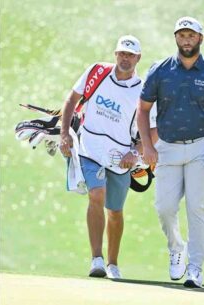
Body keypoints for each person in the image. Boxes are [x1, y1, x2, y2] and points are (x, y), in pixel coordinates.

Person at [136, 16, 204, 288]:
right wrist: (147, 145)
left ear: (200, 39)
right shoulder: (160, 70)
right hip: (167, 148)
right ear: (176, 38)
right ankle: (177, 247)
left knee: (196, 207)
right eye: (182, 35)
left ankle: (195, 269)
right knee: (164, 208)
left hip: (202, 146)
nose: (186, 39)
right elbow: (142, 110)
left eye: (191, 35)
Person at [59, 35, 157, 279]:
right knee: (96, 194)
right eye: (122, 53)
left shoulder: (143, 91)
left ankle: (113, 263)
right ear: (116, 54)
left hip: (121, 159)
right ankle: (97, 259)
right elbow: (72, 99)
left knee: (115, 211)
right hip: (90, 148)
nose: (126, 58)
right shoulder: (97, 71)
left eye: (131, 55)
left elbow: (154, 130)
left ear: (138, 58)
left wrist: (135, 153)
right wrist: (65, 134)